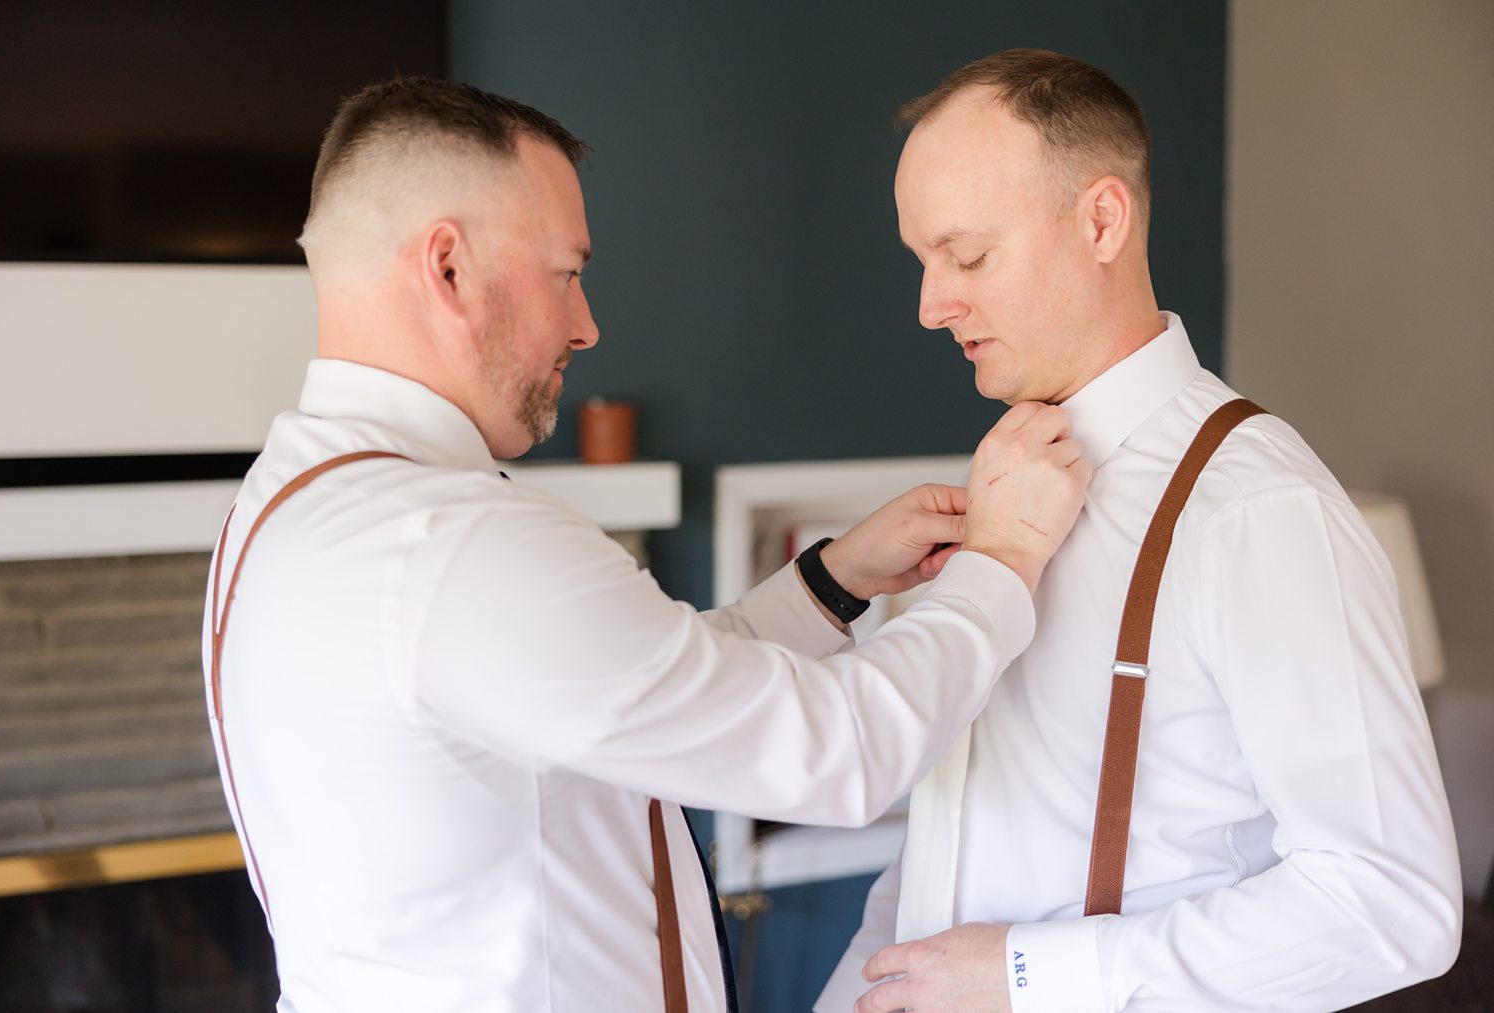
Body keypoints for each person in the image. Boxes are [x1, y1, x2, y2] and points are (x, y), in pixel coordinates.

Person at [201, 77, 1089, 1012]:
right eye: (567, 274)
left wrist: (834, 580)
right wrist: (1005, 561)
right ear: (448, 268)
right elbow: (834, 752)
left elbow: (633, 694)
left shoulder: (288, 507)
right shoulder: (452, 547)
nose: (586, 326)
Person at [816, 49, 1462, 1013]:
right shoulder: (1011, 482)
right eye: (923, 261)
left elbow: (1390, 902)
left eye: (969, 256)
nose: (930, 305)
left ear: (1103, 219)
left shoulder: (1257, 510)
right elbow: (960, 828)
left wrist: (1025, 975)